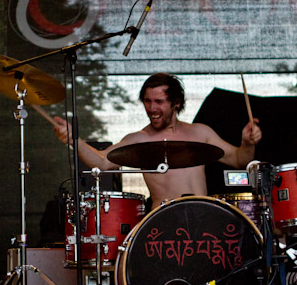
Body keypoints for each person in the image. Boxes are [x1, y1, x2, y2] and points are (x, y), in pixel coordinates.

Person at [53, 73, 262, 211]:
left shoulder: (200, 132)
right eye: (147, 101)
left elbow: (238, 160)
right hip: (161, 222)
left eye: (159, 102)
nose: (151, 108)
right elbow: (102, 162)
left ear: (176, 103)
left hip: (202, 216)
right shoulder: (140, 140)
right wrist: (74, 140)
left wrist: (248, 143)